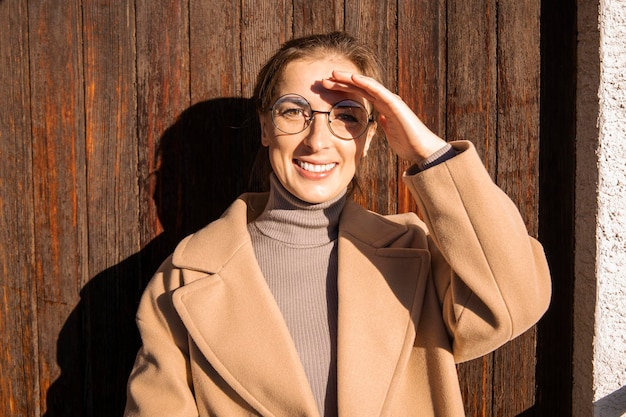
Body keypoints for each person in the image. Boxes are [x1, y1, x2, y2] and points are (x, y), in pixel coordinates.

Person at [123, 31, 551, 417]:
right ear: (265, 128)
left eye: (347, 116)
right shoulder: (183, 279)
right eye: (294, 112)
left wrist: (429, 153)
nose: (317, 140)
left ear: (369, 137)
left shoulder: (415, 255)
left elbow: (516, 300)